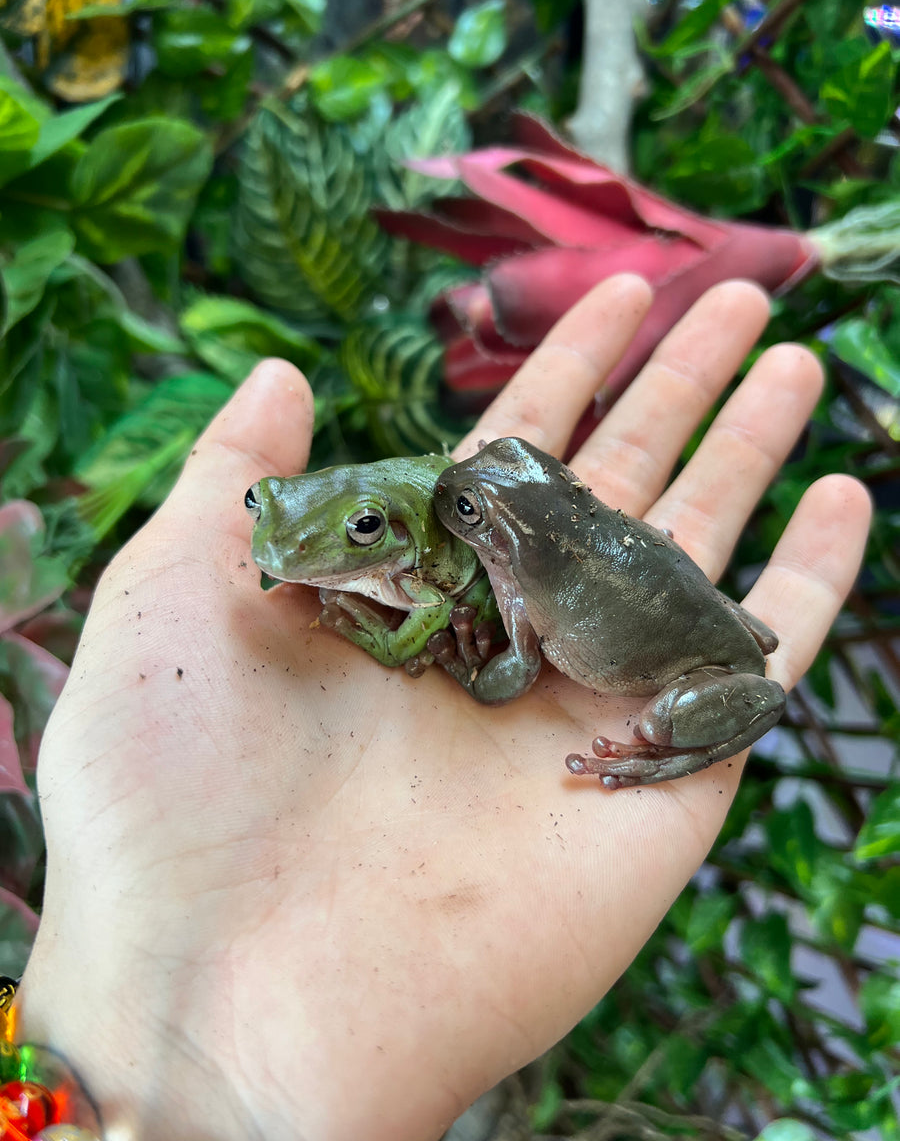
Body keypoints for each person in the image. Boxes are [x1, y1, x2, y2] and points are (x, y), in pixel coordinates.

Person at [13, 277, 870, 1141]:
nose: (453, 509)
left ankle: (663, 743)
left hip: (679, 667)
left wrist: (466, 666)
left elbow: (510, 676)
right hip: (707, 614)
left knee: (654, 717)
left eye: (465, 511)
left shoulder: (513, 595)